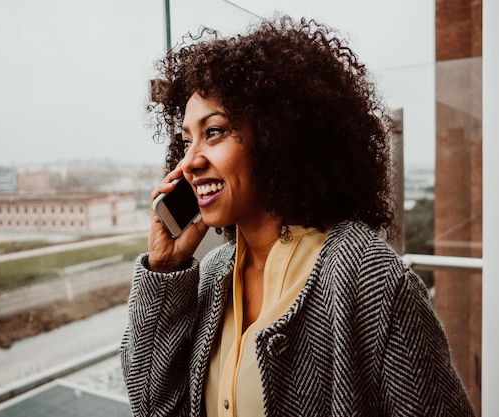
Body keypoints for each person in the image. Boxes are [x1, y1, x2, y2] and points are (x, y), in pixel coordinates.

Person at [120, 15, 476, 417]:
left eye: (214, 132)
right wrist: (165, 270)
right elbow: (151, 406)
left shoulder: (368, 277)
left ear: (276, 136)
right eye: (186, 140)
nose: (189, 162)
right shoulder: (212, 274)